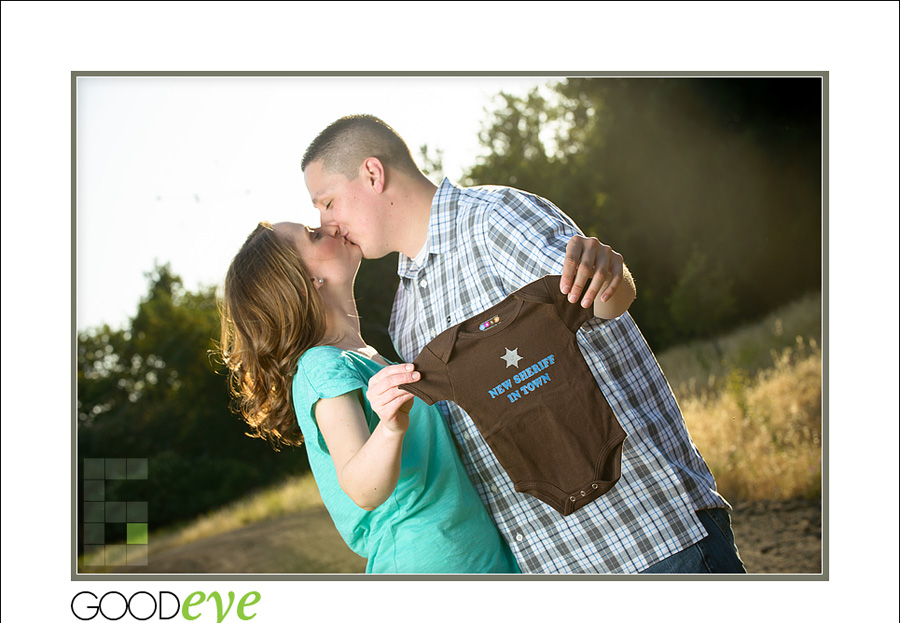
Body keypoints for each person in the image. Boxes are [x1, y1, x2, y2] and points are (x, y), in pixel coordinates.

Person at [301, 114, 746, 574]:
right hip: (552, 564)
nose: (327, 223)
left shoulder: (494, 220)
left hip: (650, 540)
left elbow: (606, 297)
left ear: (372, 174)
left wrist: (611, 272)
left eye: (328, 202)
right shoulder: (404, 314)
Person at [218, 220, 519, 574]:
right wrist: (390, 429)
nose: (330, 226)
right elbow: (362, 488)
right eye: (314, 235)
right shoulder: (321, 366)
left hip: (475, 553)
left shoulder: (368, 356)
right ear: (304, 285)